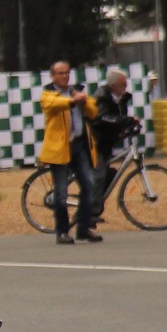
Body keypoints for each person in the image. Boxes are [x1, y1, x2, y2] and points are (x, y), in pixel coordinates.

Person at [38, 61, 101, 245]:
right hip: (59, 148)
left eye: (66, 73)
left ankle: (83, 228)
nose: (64, 76)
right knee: (61, 193)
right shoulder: (48, 94)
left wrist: (82, 100)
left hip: (79, 145)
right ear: (53, 76)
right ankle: (62, 231)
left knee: (89, 186)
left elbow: (93, 111)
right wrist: (73, 100)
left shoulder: (76, 91)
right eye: (60, 73)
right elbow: (54, 105)